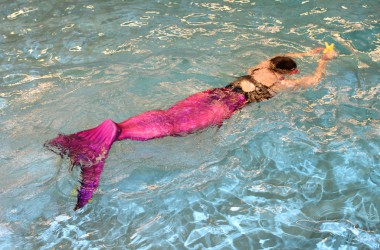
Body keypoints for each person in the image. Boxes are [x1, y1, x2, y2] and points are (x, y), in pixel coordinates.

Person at [45, 46, 337, 210]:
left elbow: (282, 55)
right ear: (288, 73)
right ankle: (115, 134)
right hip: (225, 106)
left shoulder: (260, 66)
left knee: (168, 115)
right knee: (174, 127)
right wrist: (323, 62)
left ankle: (117, 129)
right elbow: (313, 81)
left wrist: (309, 52)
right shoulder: (283, 84)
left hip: (212, 94)